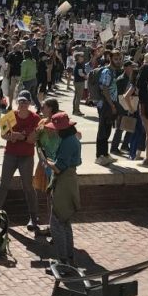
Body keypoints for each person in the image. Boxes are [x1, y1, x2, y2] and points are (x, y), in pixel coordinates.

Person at [0, 92, 43, 232]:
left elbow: (32, 139)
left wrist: (18, 136)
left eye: (26, 102)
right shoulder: (10, 116)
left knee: (28, 186)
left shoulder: (36, 118)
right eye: (21, 102)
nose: (23, 104)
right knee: (3, 184)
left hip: (26, 156)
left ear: (30, 103)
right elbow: (3, 135)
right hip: (10, 154)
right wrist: (12, 137)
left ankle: (34, 217)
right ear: (17, 102)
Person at [45, 111, 82, 271]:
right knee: (65, 222)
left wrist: (47, 161)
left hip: (64, 182)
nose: (54, 131)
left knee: (56, 223)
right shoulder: (73, 139)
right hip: (70, 179)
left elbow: (59, 168)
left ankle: (63, 262)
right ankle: (69, 259)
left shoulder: (67, 142)